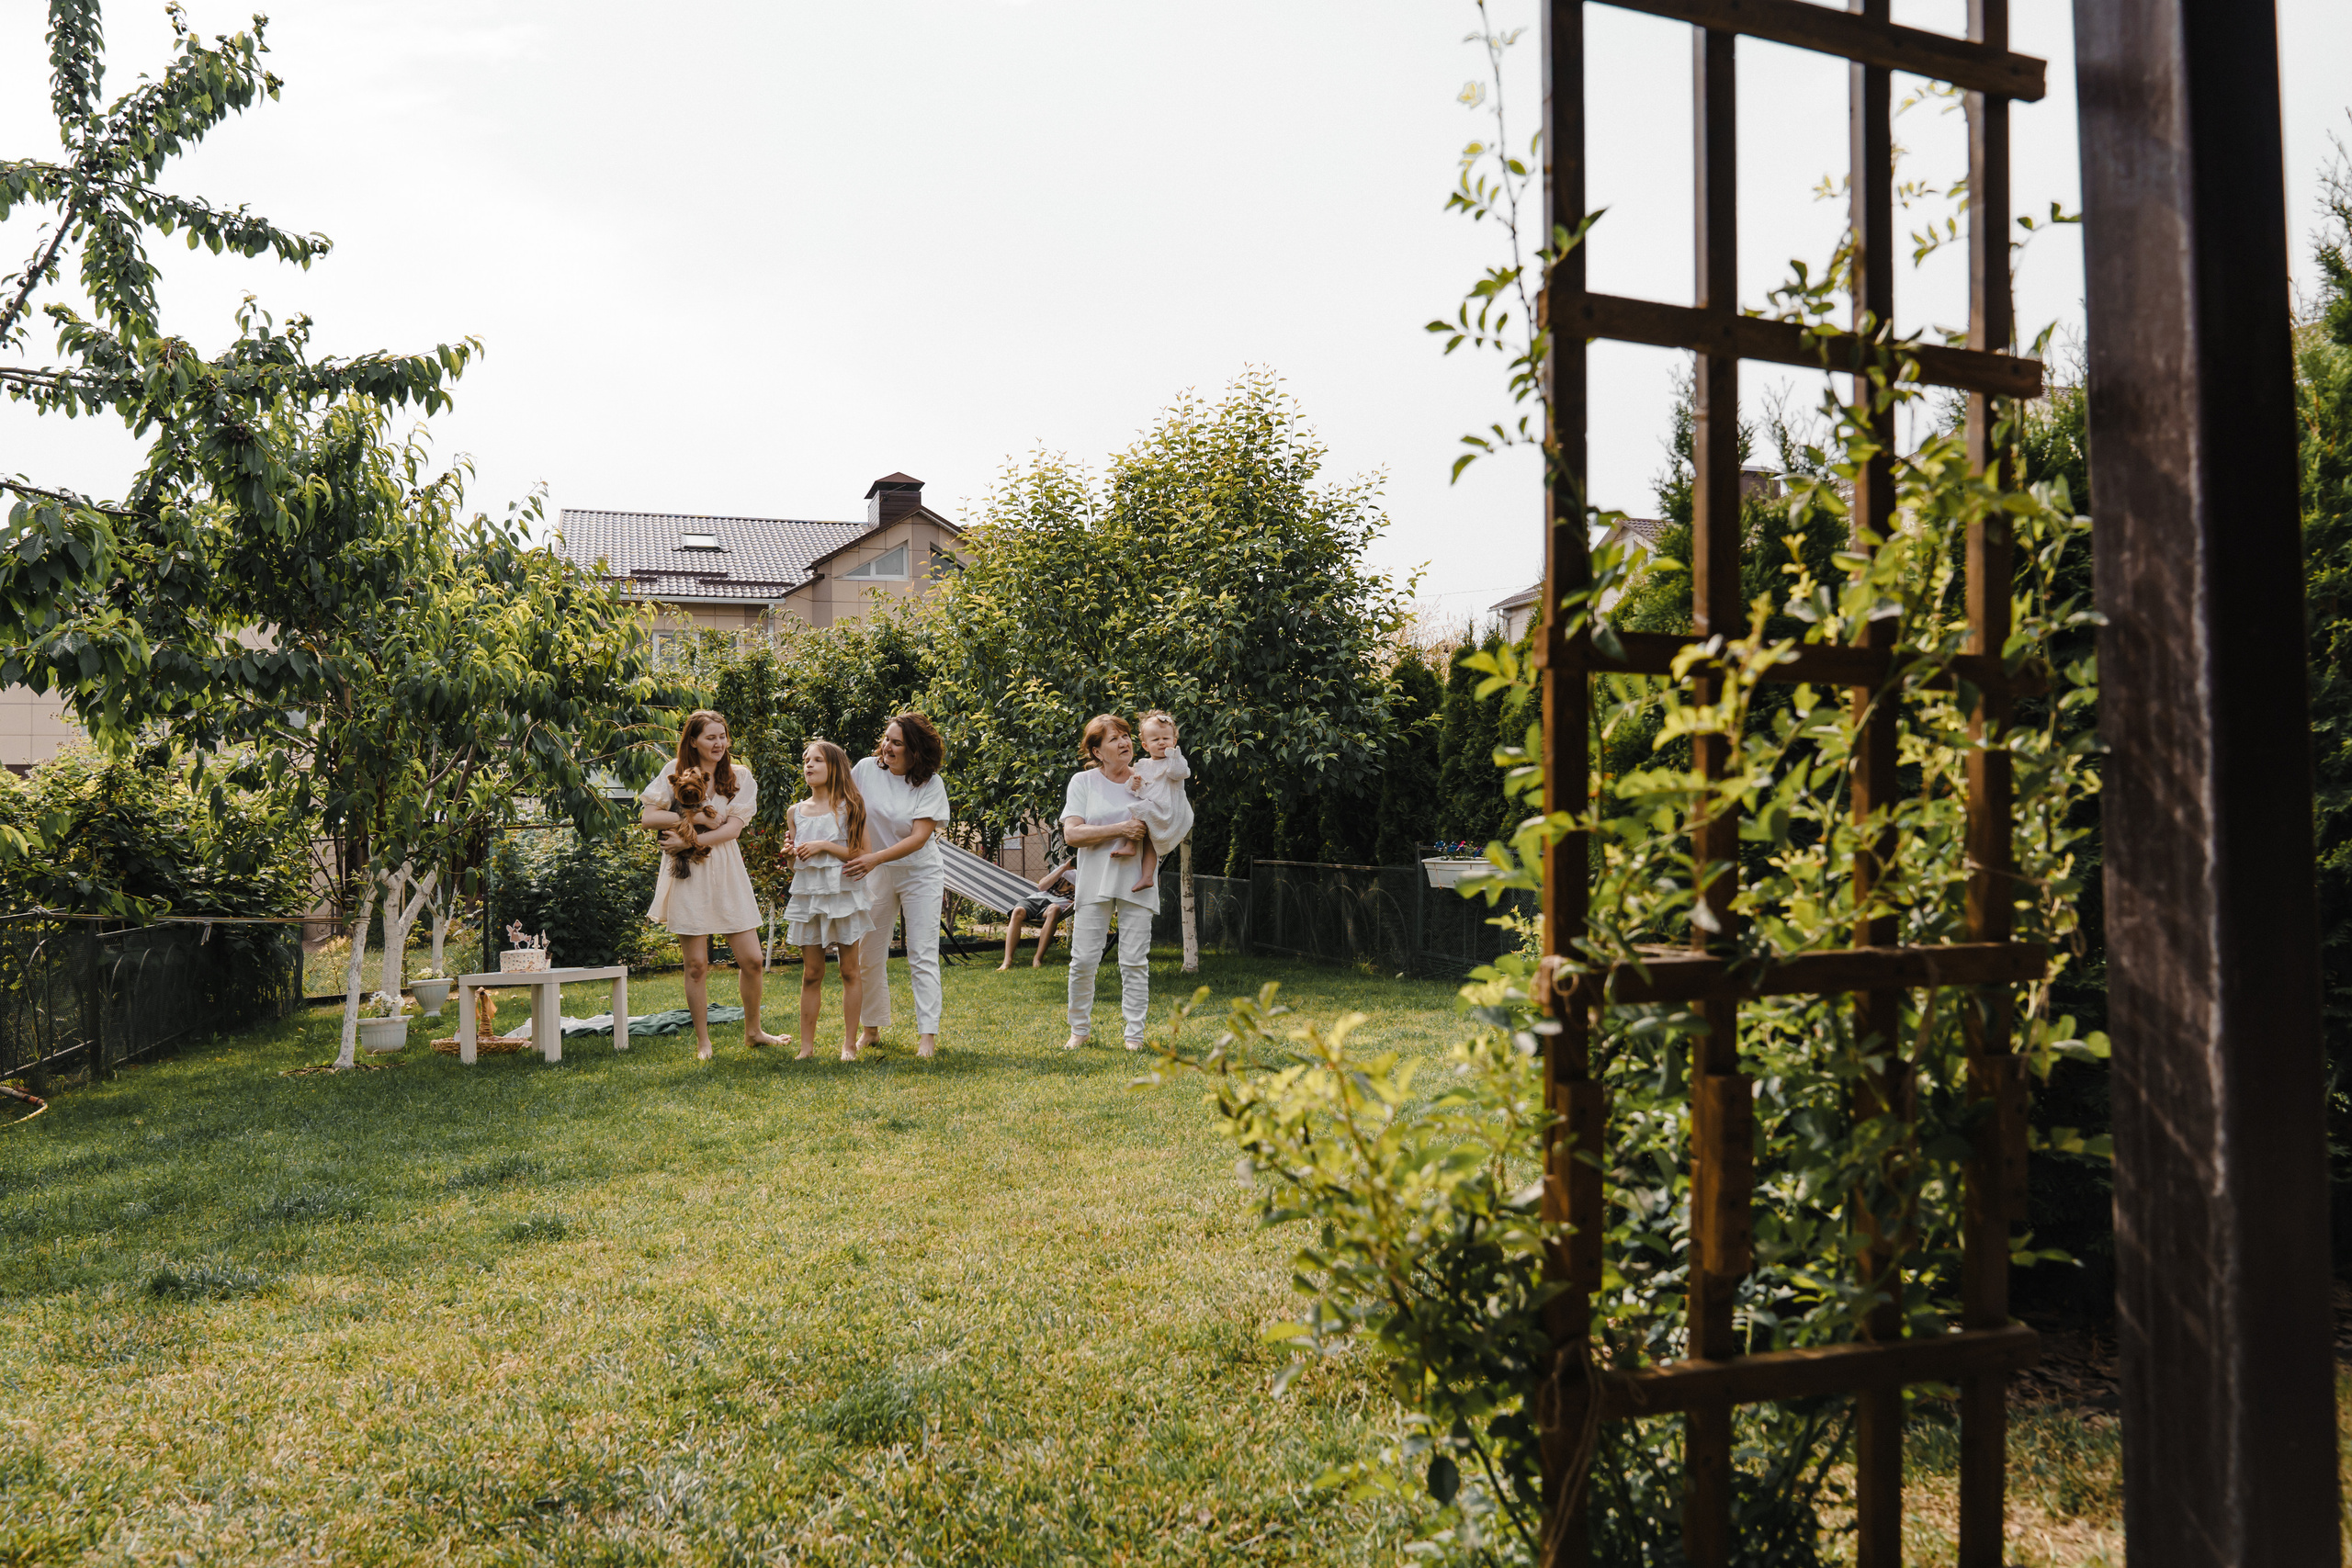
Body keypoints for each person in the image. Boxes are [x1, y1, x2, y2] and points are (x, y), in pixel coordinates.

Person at [639, 709, 790, 1059]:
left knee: (752, 960)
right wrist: (693, 816)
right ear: (693, 741)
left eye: (723, 736)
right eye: (711, 737)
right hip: (688, 873)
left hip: (724, 868)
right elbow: (649, 817)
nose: (719, 743)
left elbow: (732, 829)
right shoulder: (673, 771)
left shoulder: (739, 776)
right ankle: (703, 1042)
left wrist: (691, 840)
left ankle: (754, 1031)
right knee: (696, 965)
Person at [844, 713, 952, 1059]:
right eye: (887, 738)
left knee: (921, 954)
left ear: (915, 752)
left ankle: (927, 1037)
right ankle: (871, 1029)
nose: (887, 747)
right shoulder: (864, 769)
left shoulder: (930, 784)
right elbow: (839, 810)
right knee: (867, 954)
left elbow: (921, 837)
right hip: (876, 871)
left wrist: (875, 858)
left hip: (919, 873)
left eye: (897, 743)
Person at [1059, 713, 1160, 1051]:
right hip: (1094, 882)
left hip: (1137, 881)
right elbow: (1072, 833)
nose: (1124, 743)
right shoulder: (1083, 782)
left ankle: (1134, 1035)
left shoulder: (1149, 777)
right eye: (1114, 739)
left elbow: (1168, 821)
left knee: (1134, 961)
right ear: (1098, 751)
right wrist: (1120, 829)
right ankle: (1079, 1030)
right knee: (1084, 960)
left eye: (1126, 736)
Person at [784, 739, 876, 1062]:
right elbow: (797, 864)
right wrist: (790, 854)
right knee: (811, 973)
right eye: (806, 759)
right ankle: (806, 1048)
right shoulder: (795, 812)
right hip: (809, 897)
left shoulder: (851, 806)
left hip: (843, 895)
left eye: (817, 760)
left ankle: (849, 1045)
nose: (808, 765)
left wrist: (823, 844)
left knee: (850, 971)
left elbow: (863, 853)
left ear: (834, 766)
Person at [1121, 708, 1193, 892]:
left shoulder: (1175, 761)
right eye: (1155, 740)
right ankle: (1147, 877)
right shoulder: (1143, 765)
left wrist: (1174, 756)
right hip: (1154, 808)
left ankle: (1129, 846)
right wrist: (1135, 783)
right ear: (1145, 746)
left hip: (1169, 810)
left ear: (1174, 741)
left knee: (1140, 809)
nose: (1162, 743)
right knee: (1149, 843)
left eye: (1166, 738)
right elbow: (1136, 790)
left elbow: (1180, 773)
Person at [999, 860, 1075, 970]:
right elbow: (1042, 887)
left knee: (1054, 909)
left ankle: (1037, 959)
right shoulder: (1065, 871)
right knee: (1017, 911)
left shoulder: (1088, 881)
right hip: (1034, 900)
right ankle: (1007, 961)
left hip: (1052, 906)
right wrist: (1064, 868)